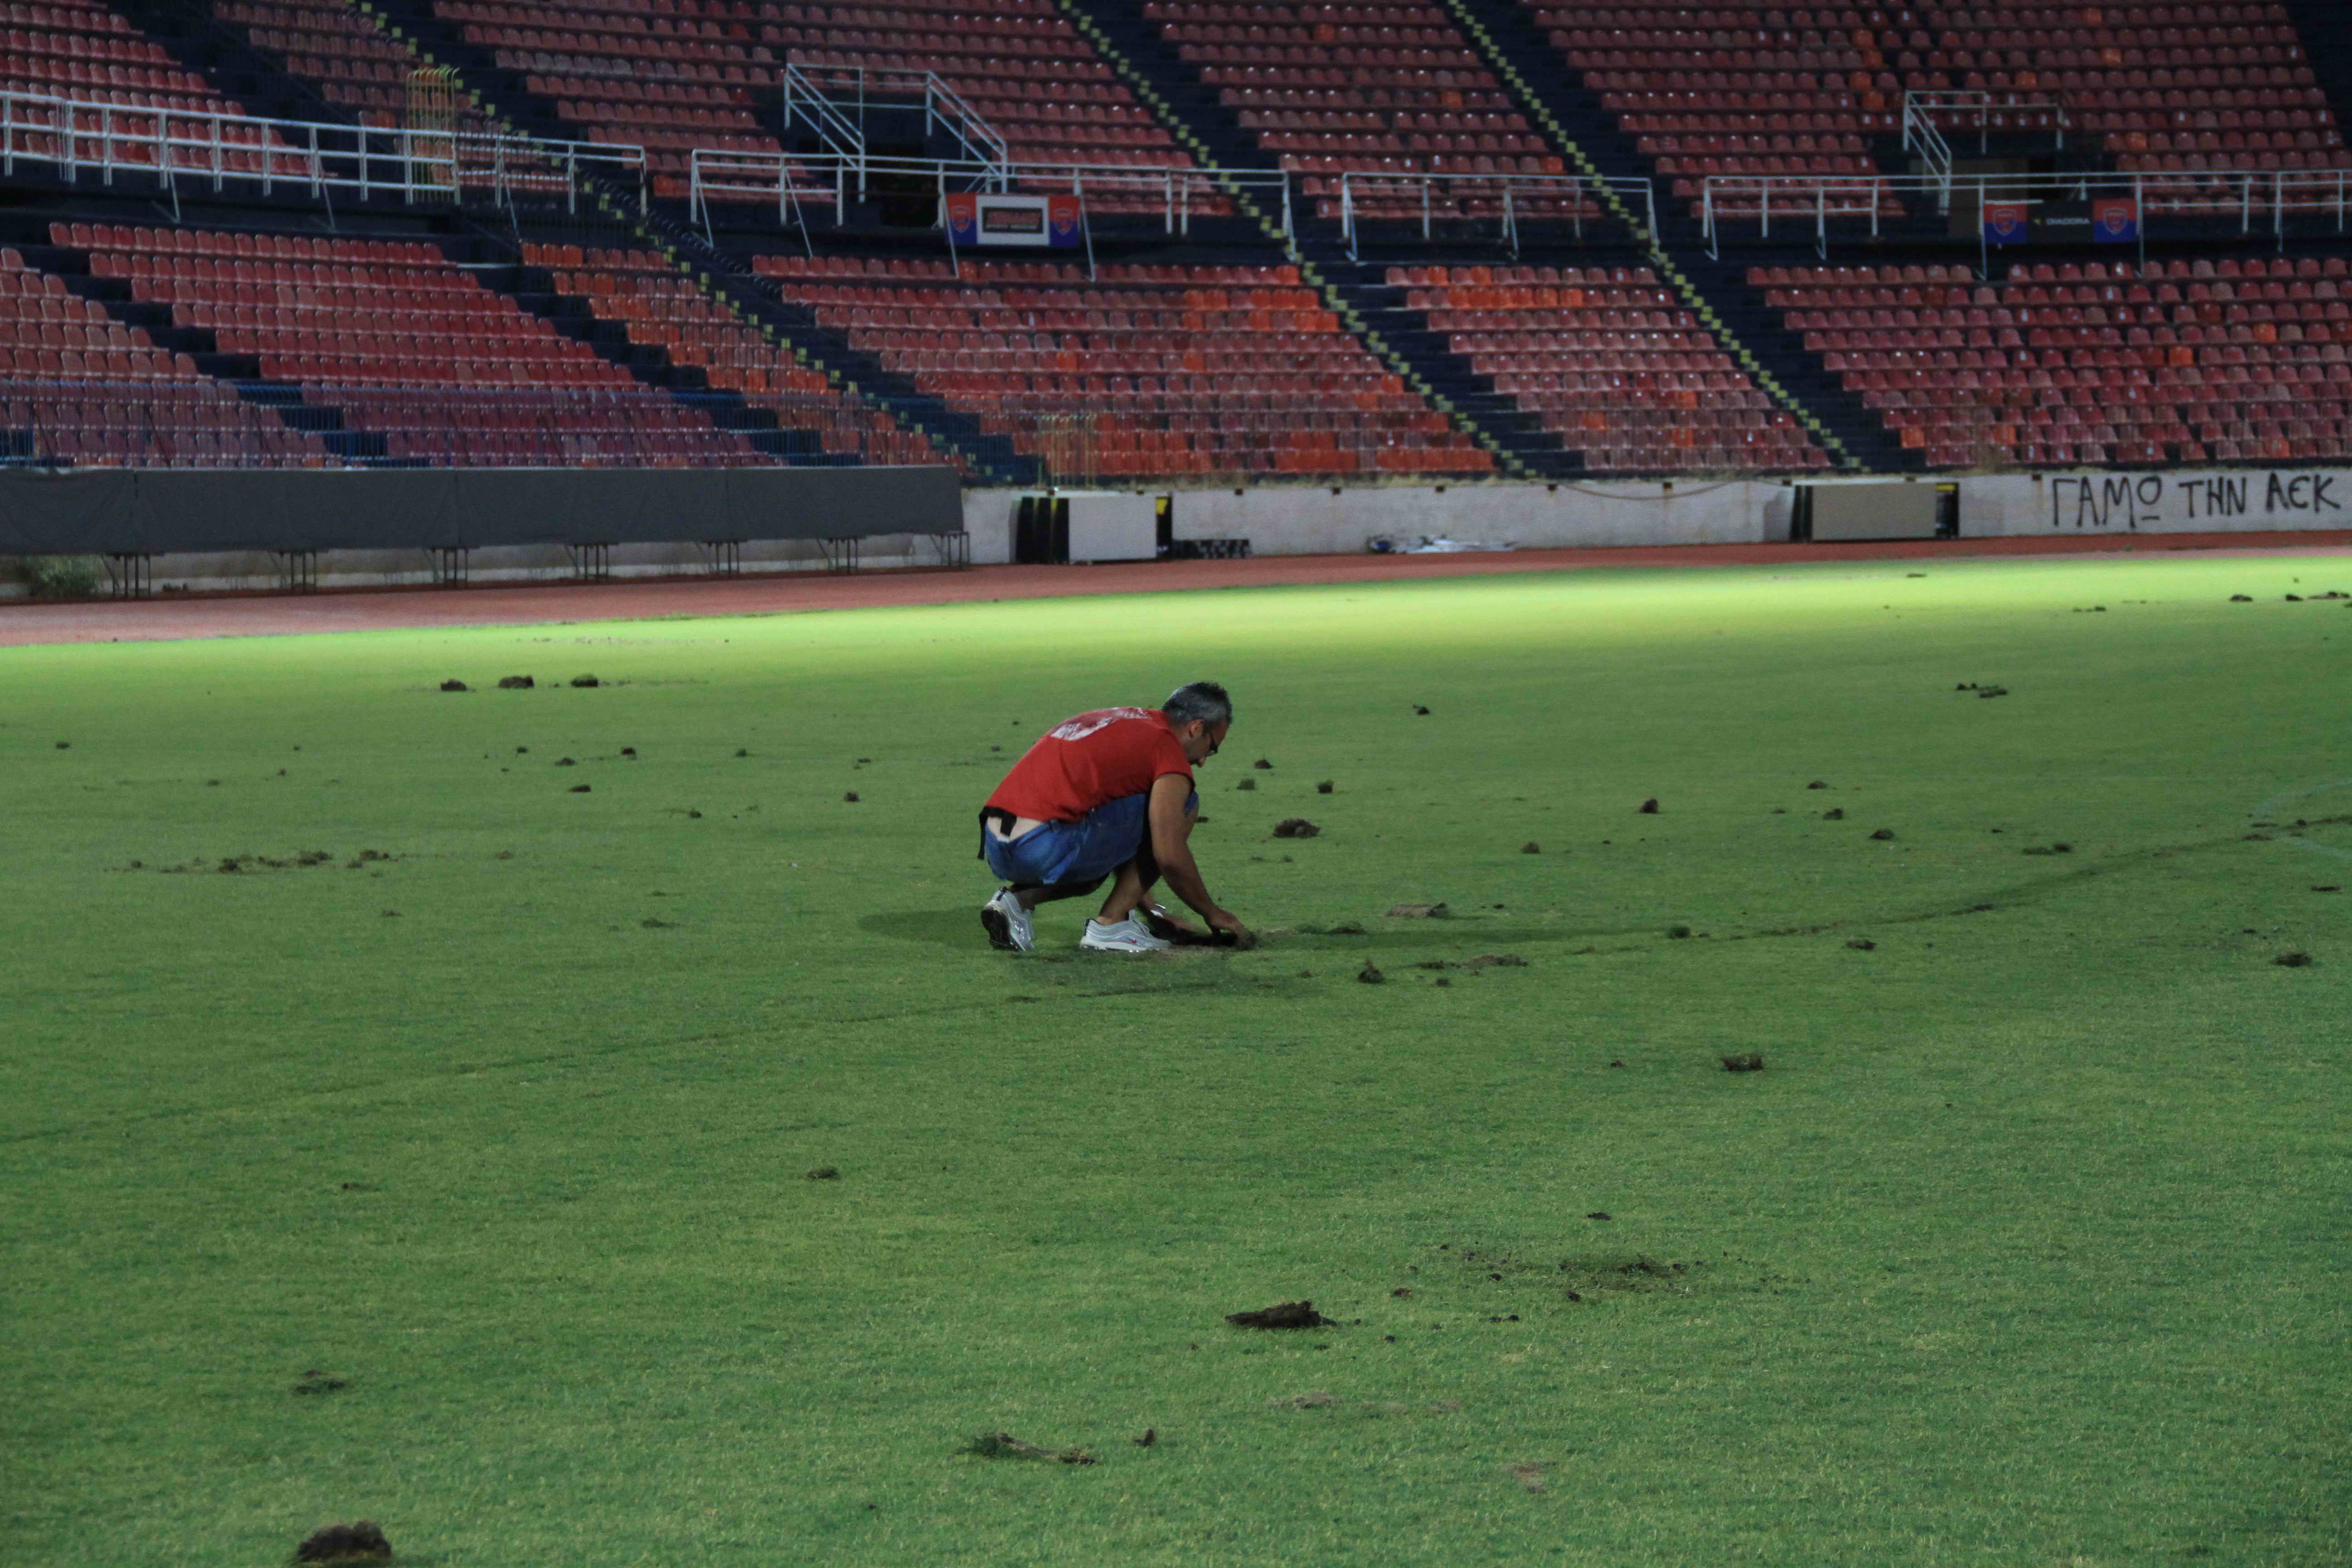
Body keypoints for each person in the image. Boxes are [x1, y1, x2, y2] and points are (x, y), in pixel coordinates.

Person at [977, 681, 1253, 954]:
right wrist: (1211, 912)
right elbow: (1168, 854)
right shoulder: (1166, 748)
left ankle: (1014, 903)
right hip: (1043, 843)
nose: (1204, 760)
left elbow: (1125, 848)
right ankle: (1111, 926)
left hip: (996, 844)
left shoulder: (1125, 719)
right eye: (1212, 747)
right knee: (1184, 805)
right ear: (1197, 728)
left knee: (1095, 869)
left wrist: (1152, 910)